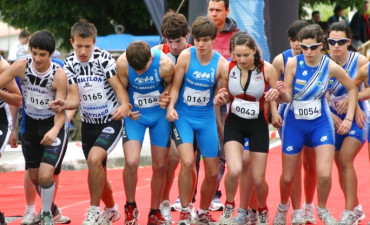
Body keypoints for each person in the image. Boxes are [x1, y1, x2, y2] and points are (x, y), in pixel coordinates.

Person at [273, 24, 358, 225]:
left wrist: (348, 118)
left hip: (321, 123)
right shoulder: (293, 64)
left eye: (313, 47)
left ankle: (321, 208)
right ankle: (283, 207)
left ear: (322, 46)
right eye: (304, 47)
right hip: (294, 124)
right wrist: (281, 92)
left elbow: (352, 88)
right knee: (287, 177)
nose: (309, 52)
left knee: (324, 174)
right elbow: (288, 98)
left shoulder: (329, 66)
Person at [50, 19, 130, 225]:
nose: (83, 51)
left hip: (110, 120)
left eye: (88, 46)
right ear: (72, 42)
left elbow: (119, 88)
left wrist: (124, 105)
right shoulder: (69, 63)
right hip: (88, 123)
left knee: (94, 160)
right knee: (98, 171)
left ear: (94, 42)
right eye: (79, 46)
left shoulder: (103, 59)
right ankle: (111, 210)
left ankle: (94, 211)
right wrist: (64, 103)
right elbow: (75, 98)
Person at [0, 30, 68, 225]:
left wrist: (54, 130)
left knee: (47, 175)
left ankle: (46, 214)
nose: (37, 59)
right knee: (34, 176)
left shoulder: (58, 75)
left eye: (42, 54)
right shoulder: (21, 66)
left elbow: (61, 111)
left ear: (51, 54)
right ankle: (53, 211)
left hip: (51, 125)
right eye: (34, 53)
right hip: (30, 126)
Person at [166, 16, 228, 225]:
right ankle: (185, 211)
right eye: (198, 40)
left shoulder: (220, 64)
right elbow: (175, 88)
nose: (200, 44)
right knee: (187, 162)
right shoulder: (186, 56)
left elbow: (223, 94)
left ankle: (202, 212)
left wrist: (221, 97)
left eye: (205, 40)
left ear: (213, 40)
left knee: (212, 172)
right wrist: (171, 107)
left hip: (206, 119)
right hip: (184, 117)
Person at [215, 31, 279, 225]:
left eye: (246, 55)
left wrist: (275, 109)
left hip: (258, 124)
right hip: (234, 123)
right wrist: (221, 98)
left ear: (254, 52)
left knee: (258, 179)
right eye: (238, 55)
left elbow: (278, 96)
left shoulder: (267, 69)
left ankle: (262, 210)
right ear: (233, 54)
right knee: (234, 170)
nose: (242, 59)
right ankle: (229, 207)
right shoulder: (227, 67)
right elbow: (224, 94)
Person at [116, 40, 174, 225]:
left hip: (158, 116)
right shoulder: (123, 63)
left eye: (143, 68)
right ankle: (130, 207)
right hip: (136, 116)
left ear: (150, 58)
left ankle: (154, 212)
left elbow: (172, 84)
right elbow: (121, 89)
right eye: (136, 69)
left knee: (159, 166)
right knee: (131, 161)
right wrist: (125, 105)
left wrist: (166, 95)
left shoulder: (165, 64)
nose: (139, 72)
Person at [152, 11, 198, 224]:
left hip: (190, 114)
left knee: (189, 162)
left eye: (178, 41)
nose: (175, 46)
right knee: (168, 161)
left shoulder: (197, 52)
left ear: (187, 35)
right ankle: (163, 203)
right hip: (164, 114)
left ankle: (188, 204)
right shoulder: (156, 53)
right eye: (170, 41)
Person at [272, 20, 318, 224]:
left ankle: (309, 205)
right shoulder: (280, 61)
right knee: (293, 165)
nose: (297, 45)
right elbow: (273, 92)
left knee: (311, 165)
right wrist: (274, 113)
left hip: (314, 117)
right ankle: (297, 209)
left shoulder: (318, 59)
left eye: (301, 41)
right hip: (289, 115)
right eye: (293, 41)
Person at [326, 22, 369, 225]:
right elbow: (319, 94)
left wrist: (355, 100)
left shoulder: (359, 61)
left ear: (349, 42)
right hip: (331, 116)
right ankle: (356, 207)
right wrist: (330, 113)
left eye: (341, 41)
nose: (336, 45)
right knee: (340, 164)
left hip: (357, 115)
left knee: (345, 159)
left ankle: (349, 210)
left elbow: (366, 89)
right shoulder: (322, 62)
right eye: (332, 41)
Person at [207, 0, 240, 211]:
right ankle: (192, 195)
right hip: (201, 101)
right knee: (197, 150)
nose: (213, 14)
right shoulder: (199, 32)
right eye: (210, 10)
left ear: (227, 11)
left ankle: (214, 194)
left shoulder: (237, 36)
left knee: (221, 149)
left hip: (228, 101)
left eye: (218, 10)